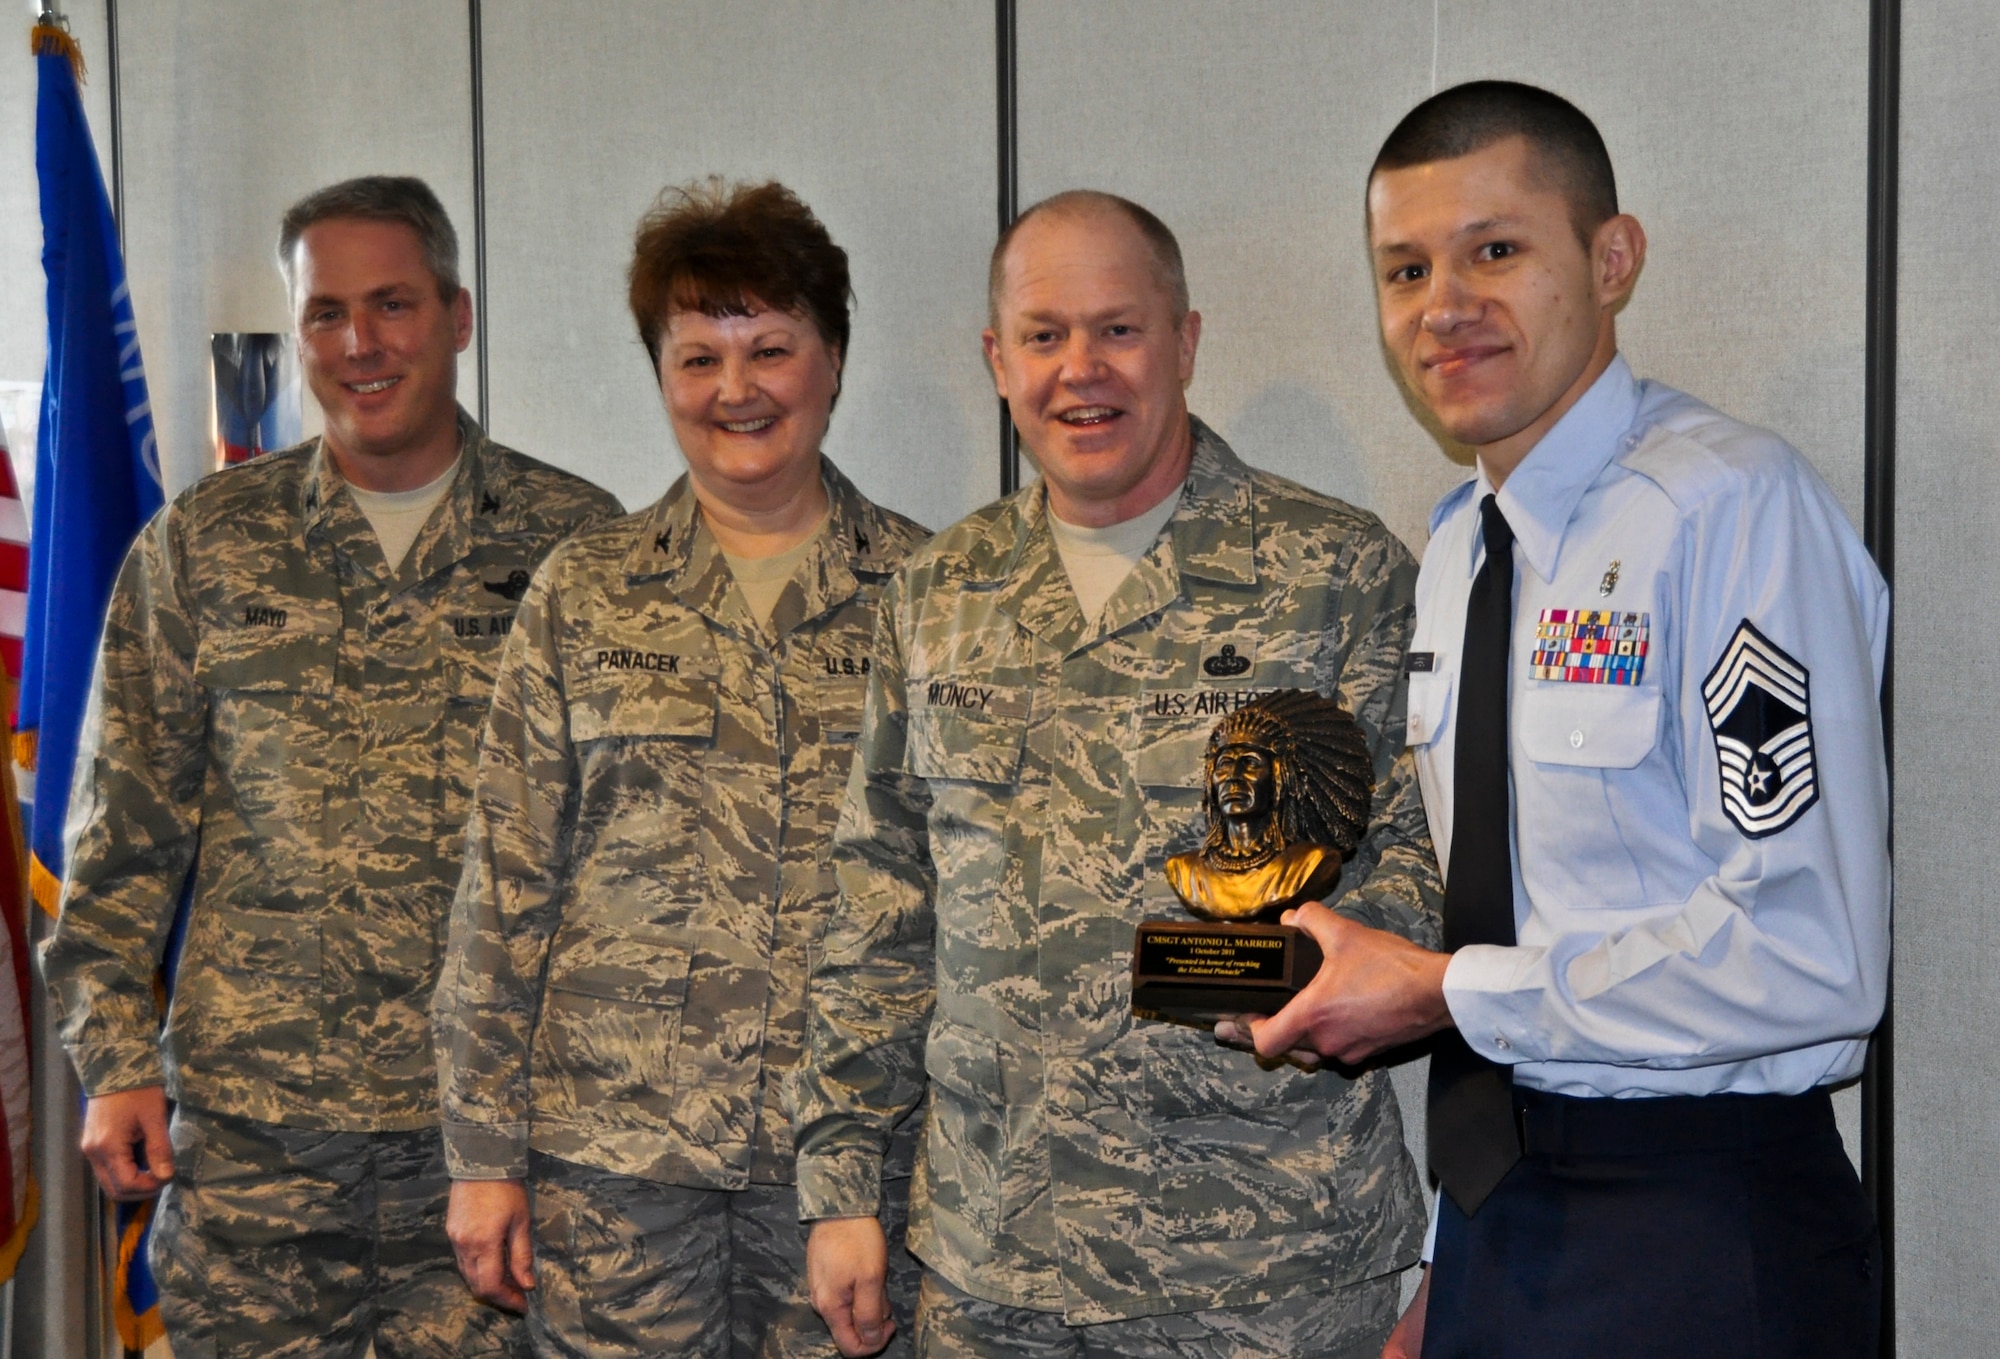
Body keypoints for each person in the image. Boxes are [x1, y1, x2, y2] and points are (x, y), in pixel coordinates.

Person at [1238, 82, 1889, 1359]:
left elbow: (1814, 953)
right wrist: (1444, 1257)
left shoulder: (1727, 511)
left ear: (1610, 259)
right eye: (1403, 267)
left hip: (1698, 1225)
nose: (1443, 305)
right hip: (1500, 1219)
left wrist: (1441, 994)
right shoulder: (1456, 552)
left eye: (1495, 250)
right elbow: (1514, 913)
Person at [792, 190, 1441, 1359]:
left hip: (1260, 1267)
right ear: (998, 360)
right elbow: (879, 913)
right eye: (1043, 336)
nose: (1079, 370)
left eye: (1118, 330)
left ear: (1185, 342)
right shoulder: (939, 597)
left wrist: (1298, 974)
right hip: (991, 1271)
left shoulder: (1335, 575)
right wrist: (842, 1182)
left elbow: (1426, 871)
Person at [39, 175, 622, 1358]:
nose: (360, 344)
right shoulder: (204, 547)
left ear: (457, 316)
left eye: (393, 305)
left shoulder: (576, 545)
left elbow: (618, 852)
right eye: (325, 313)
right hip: (256, 1155)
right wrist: (111, 1062)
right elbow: (120, 838)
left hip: (488, 1155)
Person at [432, 179, 929, 1359]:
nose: (736, 390)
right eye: (697, 355)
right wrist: (481, 1158)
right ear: (660, 374)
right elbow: (500, 888)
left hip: (848, 1168)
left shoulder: (932, 592)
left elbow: (948, 896)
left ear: (834, 359)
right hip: (611, 1171)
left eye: (770, 348)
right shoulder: (581, 589)